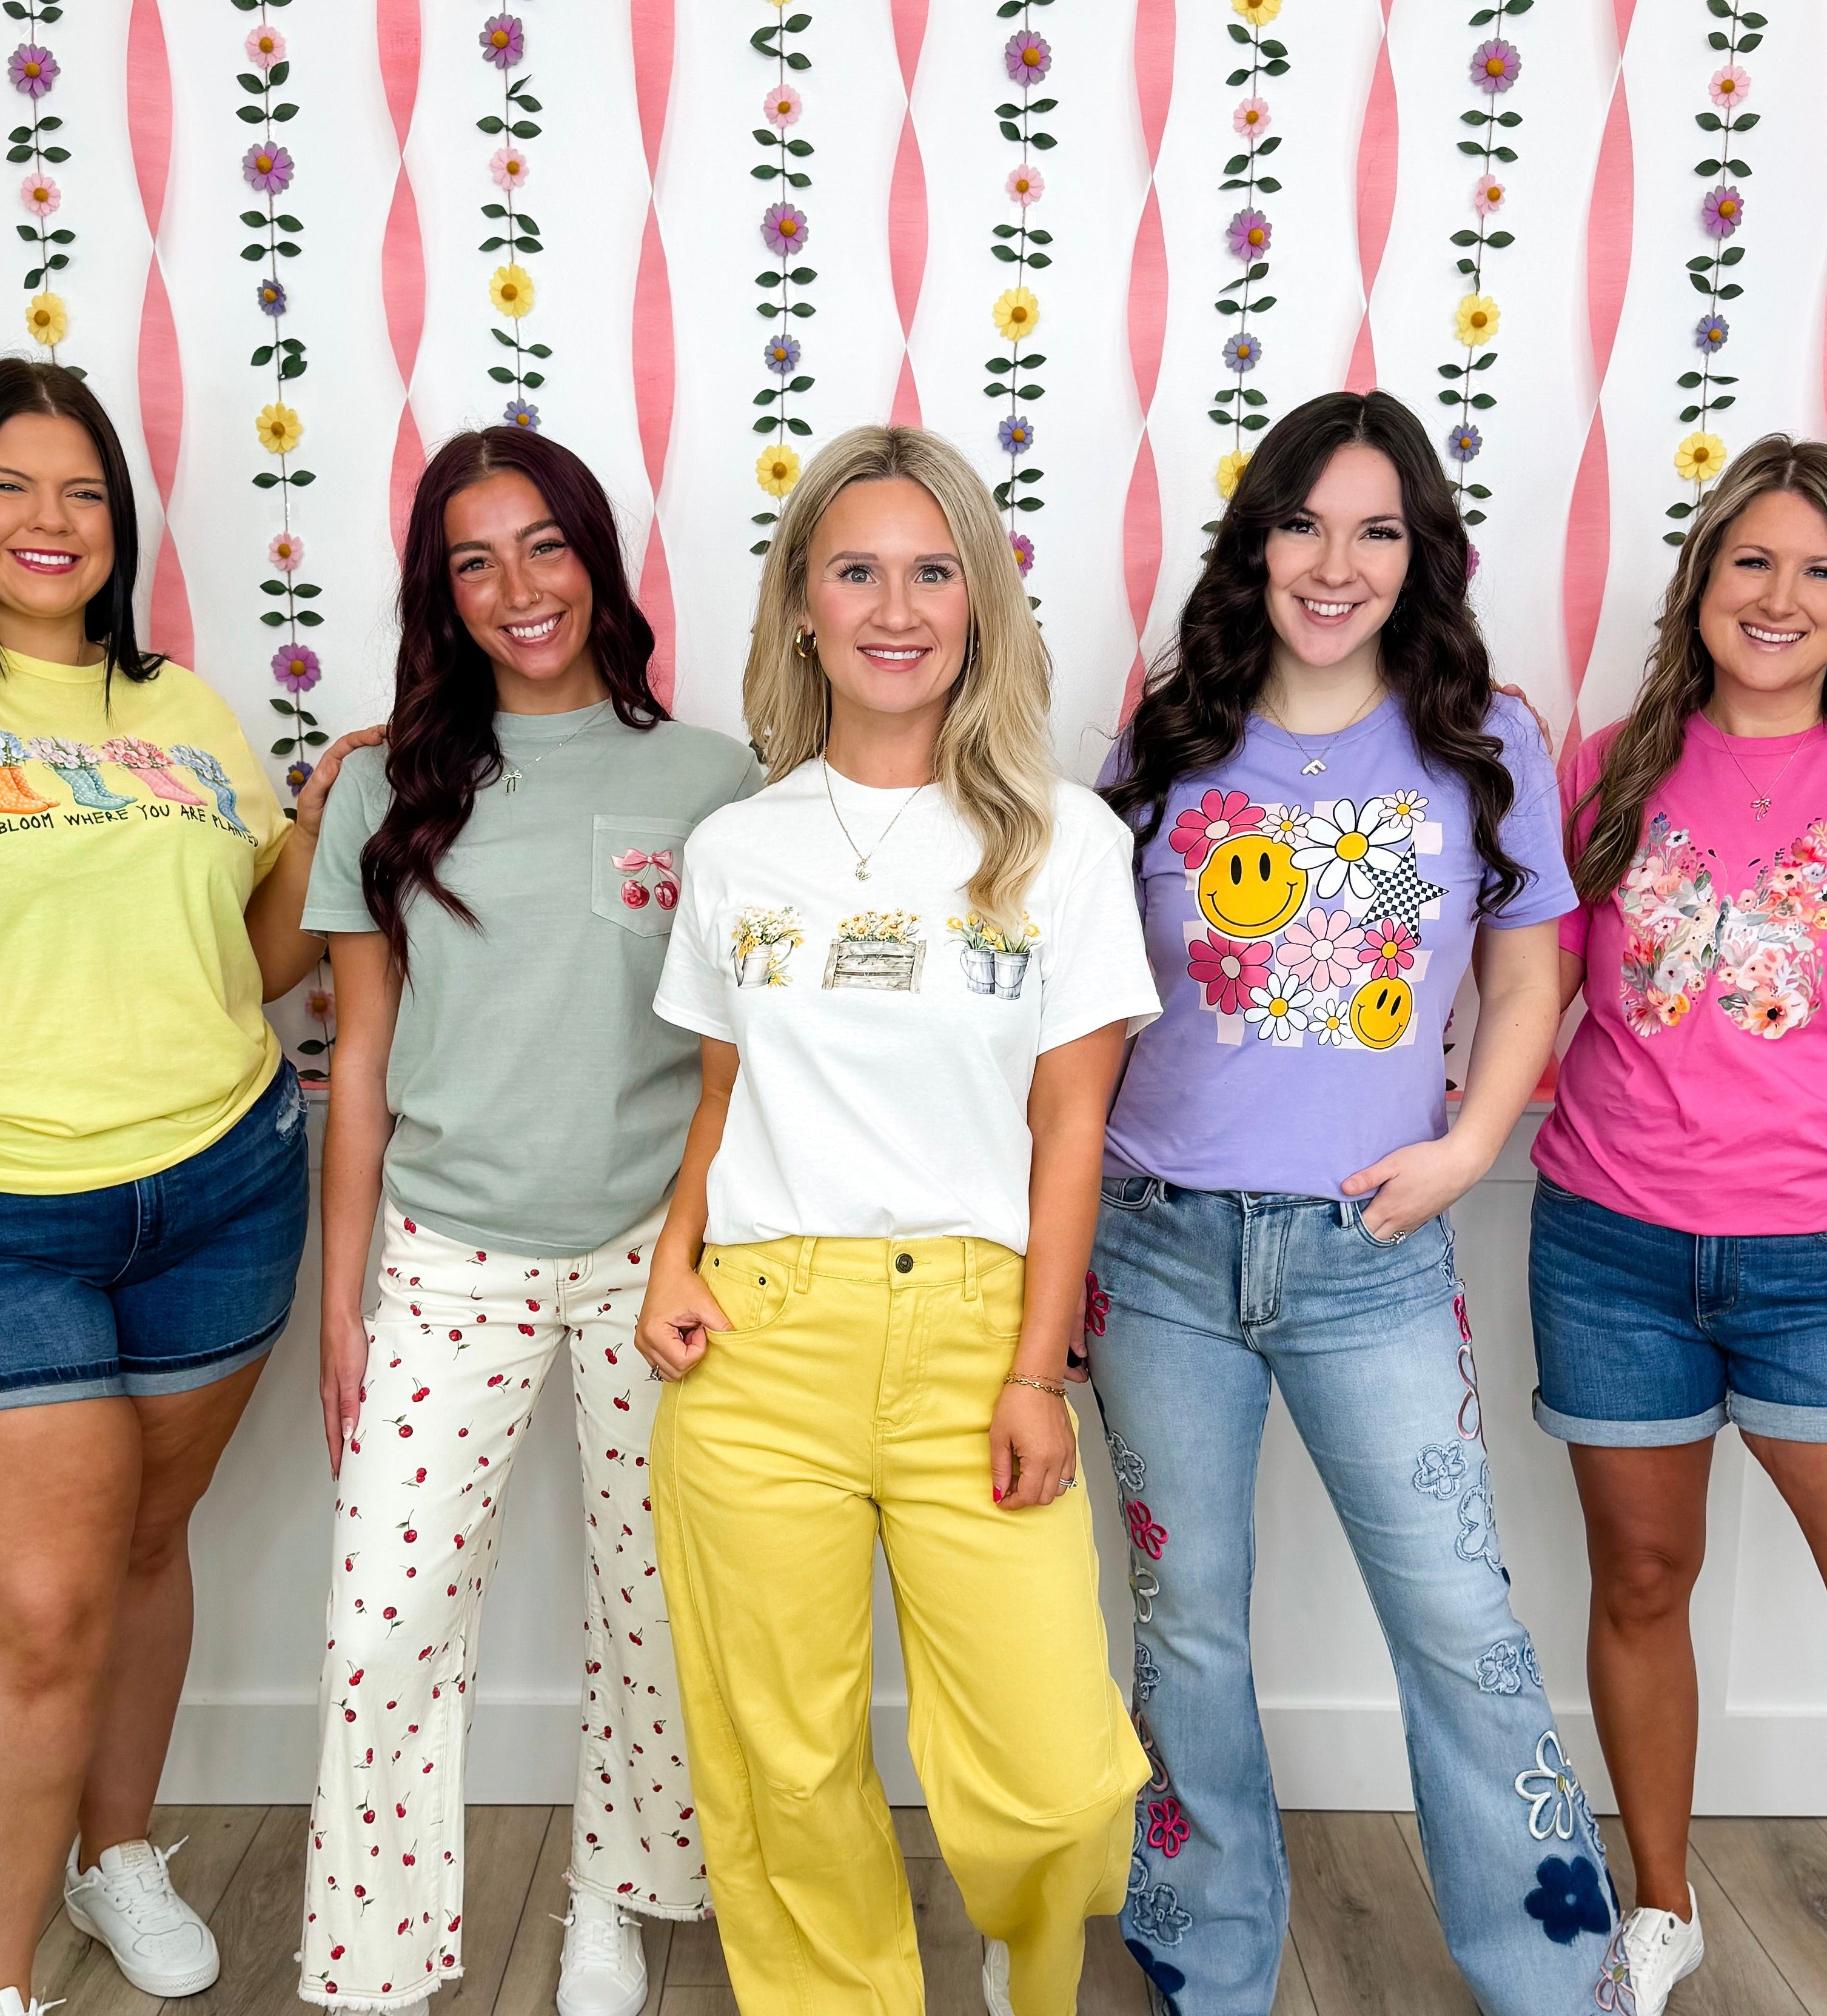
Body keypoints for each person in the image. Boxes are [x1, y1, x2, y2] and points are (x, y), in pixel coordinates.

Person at [1091, 389, 1625, 2014]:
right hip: (1157, 1249)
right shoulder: (1167, 740)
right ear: (1256, 546)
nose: (1337, 565)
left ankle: (1557, 1973)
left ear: (1420, 555)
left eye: (1376, 531)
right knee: (1187, 1623)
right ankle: (1208, 1958)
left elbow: (1528, 978)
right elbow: (1092, 1001)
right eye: (1304, 526)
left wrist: (1468, 1148)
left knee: (1459, 1619)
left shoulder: (1484, 740)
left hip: (1372, 1252)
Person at [635, 423, 1159, 2016]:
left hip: (975, 1337)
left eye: (935, 571)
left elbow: (1072, 1129)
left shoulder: (1065, 841)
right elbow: (724, 1093)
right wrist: (672, 1259)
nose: (896, 607)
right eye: (856, 571)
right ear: (802, 604)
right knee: (782, 1763)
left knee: (1057, 1782)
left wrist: (1037, 1371)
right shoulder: (738, 847)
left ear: (981, 600)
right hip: (758, 1339)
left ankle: (1026, 1956)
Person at [0, 358, 375, 2016]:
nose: (52, 521)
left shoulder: (179, 710)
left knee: (138, 1547)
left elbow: (251, 961)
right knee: (32, 1608)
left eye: (85, 491)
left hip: (218, 1192)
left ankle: (114, 1855)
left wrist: (324, 826)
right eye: (12, 486)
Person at [297, 429, 760, 2016]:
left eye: (545, 546)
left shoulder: (709, 783)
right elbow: (359, 1056)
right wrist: (344, 1298)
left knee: (654, 1604)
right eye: (474, 562)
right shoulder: (385, 786)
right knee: (382, 1630)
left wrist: (698, 1244)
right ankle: (372, 1968)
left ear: (596, 561)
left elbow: (738, 1057)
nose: (518, 589)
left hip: (657, 1255)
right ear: (443, 595)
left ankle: (612, 1900)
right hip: (447, 1256)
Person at [1530, 435, 1827, 2016]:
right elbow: (1531, 994)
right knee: (1641, 1582)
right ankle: (1664, 1907)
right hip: (1611, 1251)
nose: (1779, 597)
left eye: (1820, 571)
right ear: (1701, 580)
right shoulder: (1611, 766)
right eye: (1751, 560)